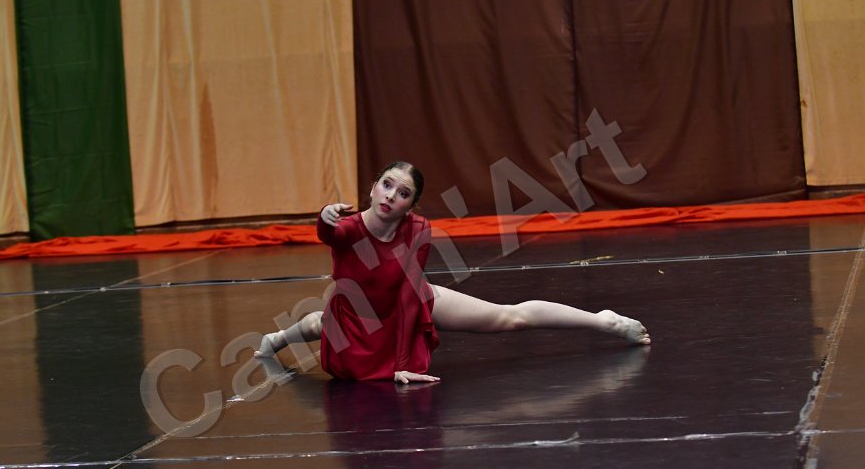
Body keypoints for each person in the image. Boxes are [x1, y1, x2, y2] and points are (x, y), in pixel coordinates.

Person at [255, 161, 650, 384]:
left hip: (408, 301)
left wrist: (402, 363)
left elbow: (409, 295)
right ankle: (277, 338)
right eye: (387, 185)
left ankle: (603, 321)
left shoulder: (417, 230)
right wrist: (324, 216)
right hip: (357, 317)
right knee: (322, 323)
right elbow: (329, 233)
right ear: (373, 187)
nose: (391, 196)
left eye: (403, 193)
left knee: (508, 318)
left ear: (411, 205)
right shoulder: (348, 229)